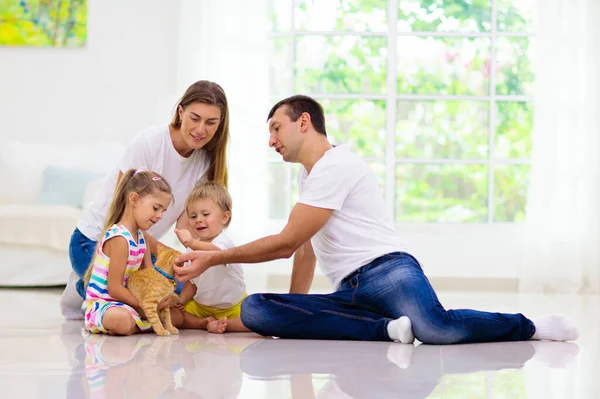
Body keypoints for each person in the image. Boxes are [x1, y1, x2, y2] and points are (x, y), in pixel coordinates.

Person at [174, 95, 580, 345]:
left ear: (304, 122)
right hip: (349, 290)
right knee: (259, 309)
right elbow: (304, 247)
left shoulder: (337, 165)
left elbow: (284, 242)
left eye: (276, 128)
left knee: (436, 330)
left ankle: (529, 326)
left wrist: (213, 258)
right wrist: (297, 307)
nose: (272, 140)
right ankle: (385, 329)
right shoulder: (309, 175)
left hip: (388, 272)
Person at [61, 80, 231, 319]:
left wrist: (191, 258)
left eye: (211, 122)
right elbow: (121, 214)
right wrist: (160, 250)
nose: (201, 129)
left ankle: (95, 285)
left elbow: (185, 225)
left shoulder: (205, 161)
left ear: (220, 123)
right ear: (181, 112)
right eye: (195, 118)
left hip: (140, 249)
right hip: (96, 241)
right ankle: (86, 286)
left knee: (178, 295)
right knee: (141, 299)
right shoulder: (149, 143)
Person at [83, 169, 173, 335]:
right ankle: (124, 323)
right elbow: (114, 288)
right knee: (123, 321)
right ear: (134, 199)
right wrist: (143, 305)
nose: (159, 216)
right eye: (156, 208)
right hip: (105, 303)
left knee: (176, 316)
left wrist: (159, 297)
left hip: (127, 302)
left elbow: (148, 276)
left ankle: (136, 323)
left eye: (163, 211)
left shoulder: (141, 238)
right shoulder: (120, 238)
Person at [169, 182, 250, 334]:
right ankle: (203, 323)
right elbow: (192, 283)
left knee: (252, 319)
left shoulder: (223, 242)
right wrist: (182, 300)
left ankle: (228, 325)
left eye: (205, 214)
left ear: (224, 217)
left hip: (232, 306)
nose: (198, 219)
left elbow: (216, 254)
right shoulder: (191, 249)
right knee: (174, 316)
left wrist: (192, 242)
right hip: (202, 307)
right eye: (193, 216)